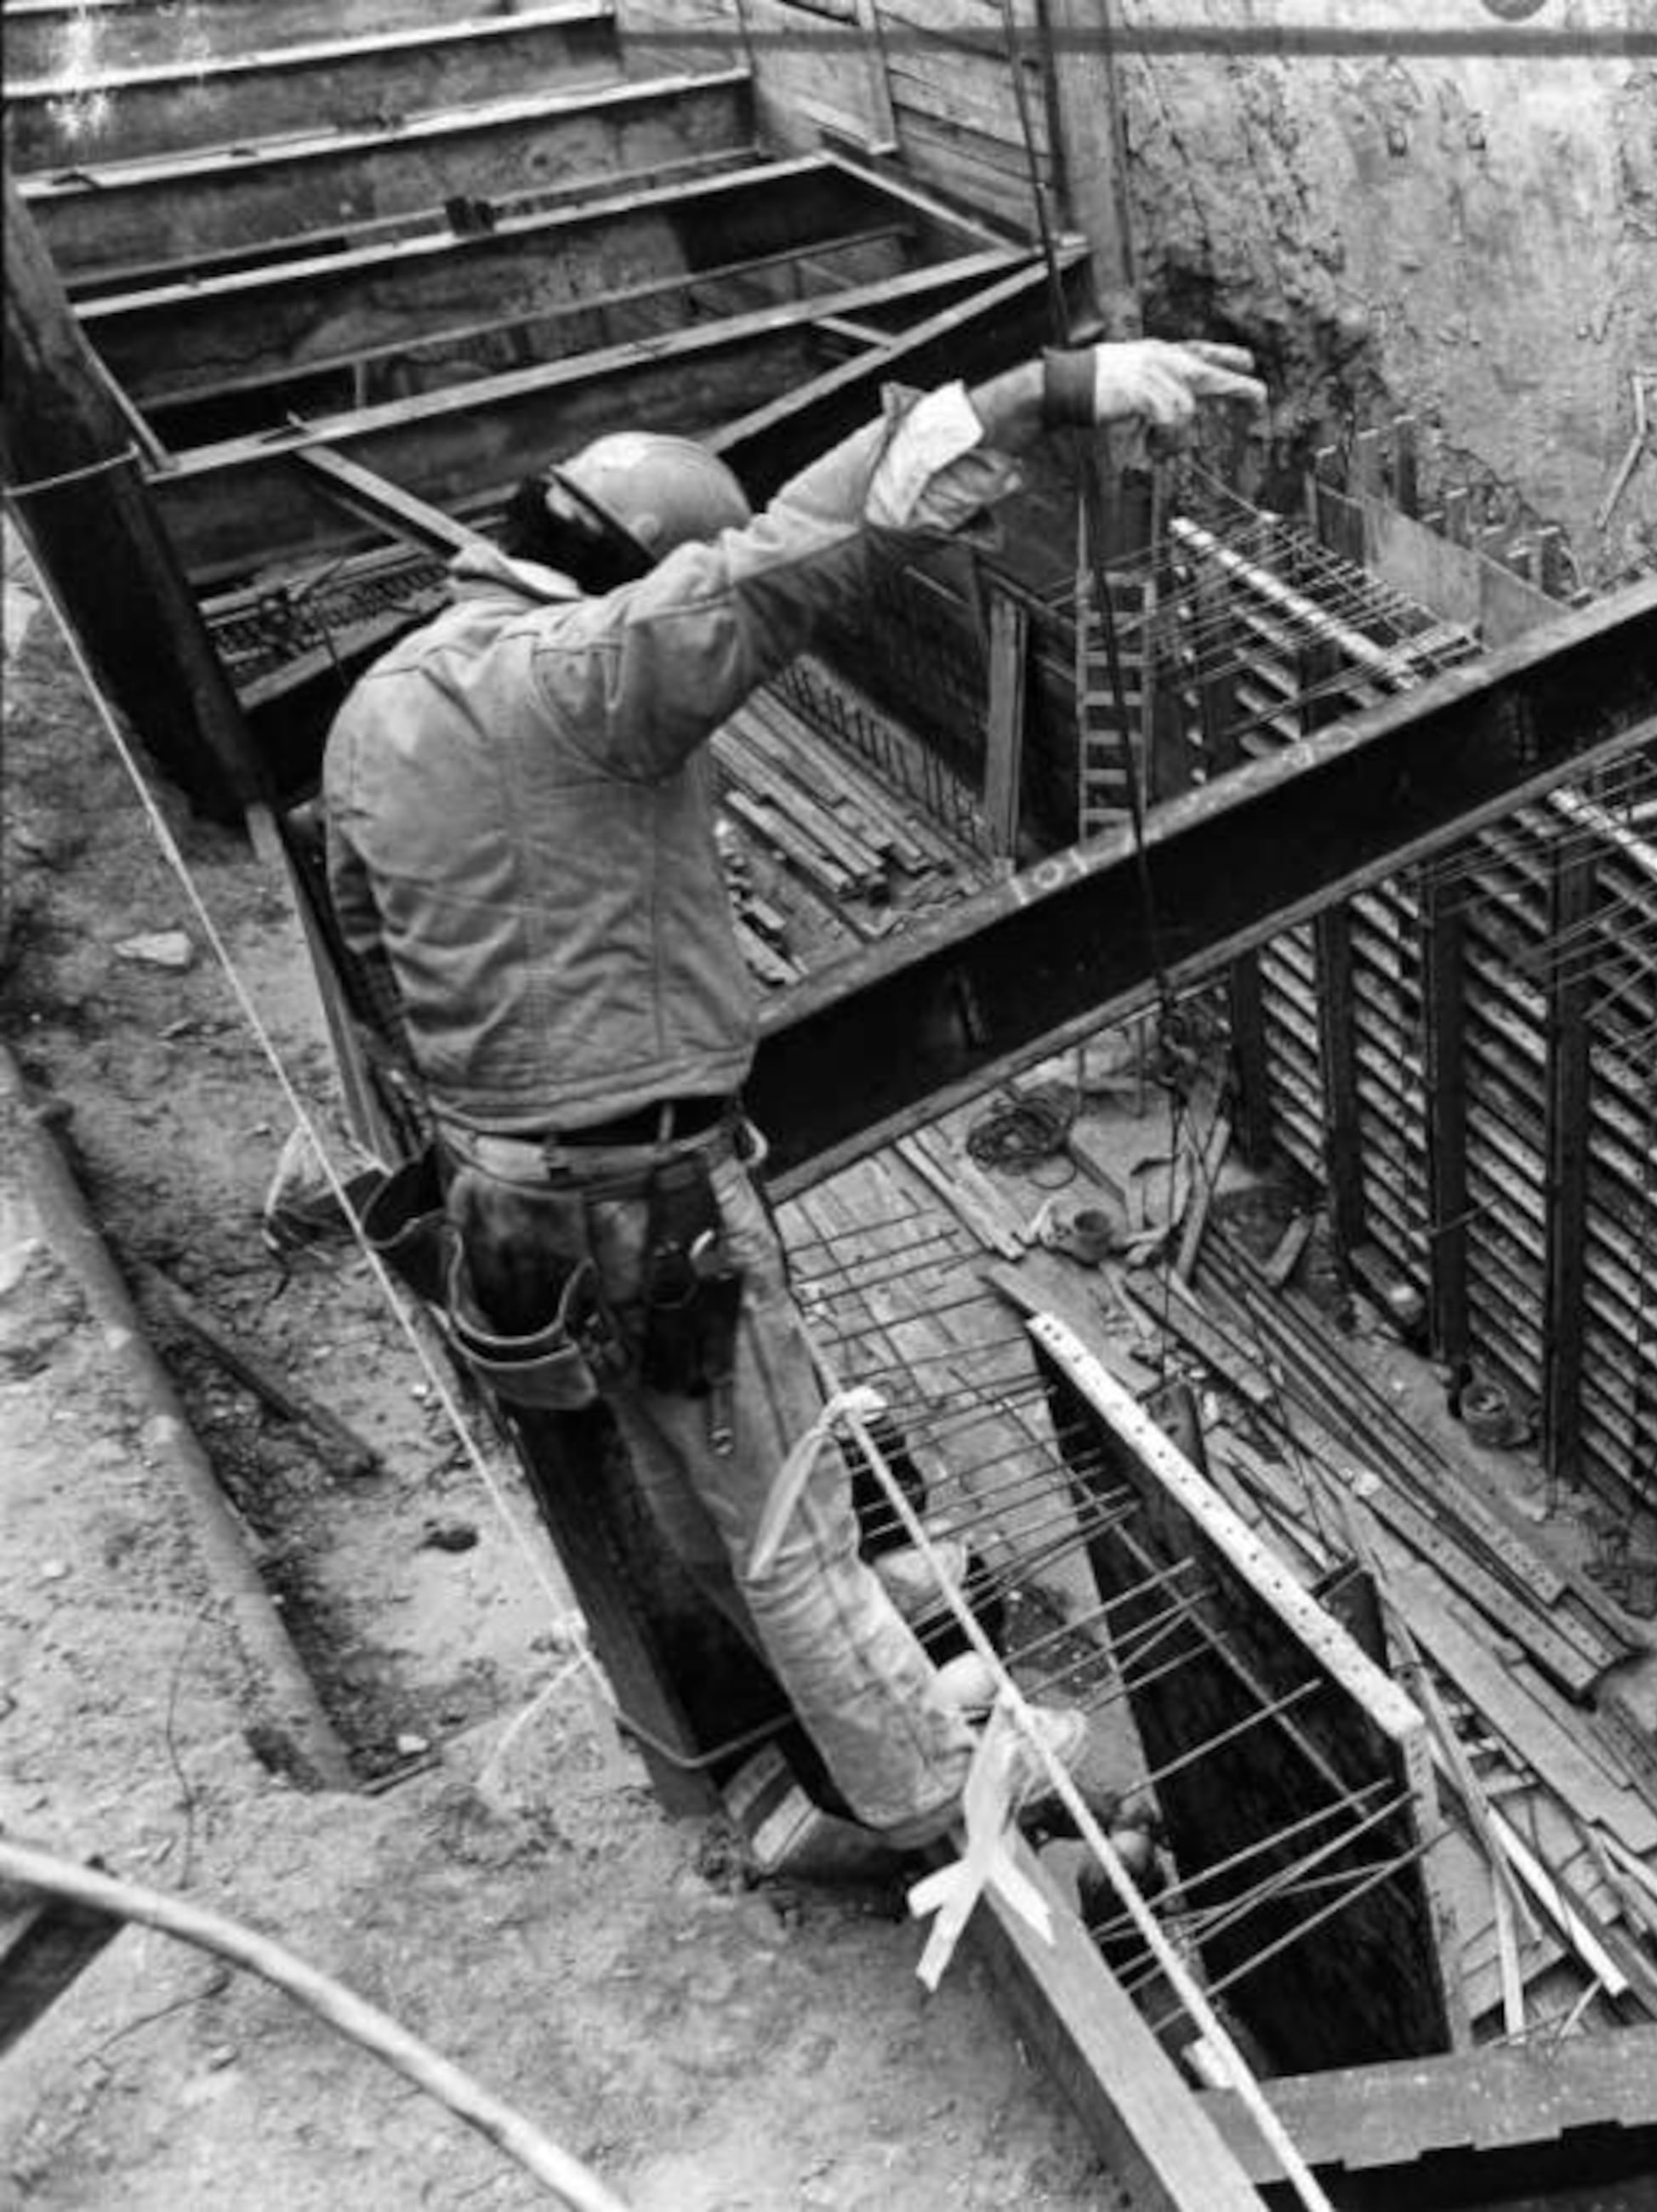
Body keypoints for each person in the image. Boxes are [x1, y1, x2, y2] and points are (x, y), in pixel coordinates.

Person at [326, 338, 1266, 1851]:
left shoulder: (377, 706)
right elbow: (802, 557)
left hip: (506, 1199)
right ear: (640, 572)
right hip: (645, 1199)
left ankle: (854, 1668)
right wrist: (1045, 391)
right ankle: (922, 1796)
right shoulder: (588, 677)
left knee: (695, 1490)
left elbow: (372, 950)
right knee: (788, 1529)